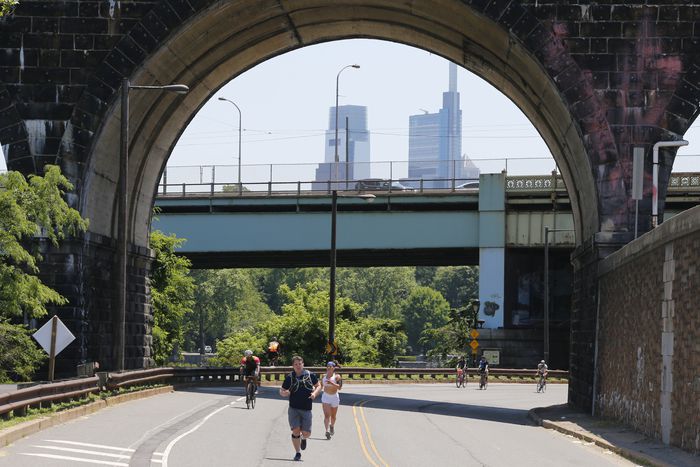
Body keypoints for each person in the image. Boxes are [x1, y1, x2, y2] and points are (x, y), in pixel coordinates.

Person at [279, 355, 321, 462]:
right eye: (295, 364)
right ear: (293, 366)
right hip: (294, 408)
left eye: (299, 364)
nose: (298, 366)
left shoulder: (310, 375)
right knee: (296, 430)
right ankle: (297, 453)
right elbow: (281, 390)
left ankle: (303, 438)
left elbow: (318, 386)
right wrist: (285, 393)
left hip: (307, 408)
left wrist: (314, 394)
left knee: (307, 433)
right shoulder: (290, 377)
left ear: (303, 364)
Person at [321, 361, 342, 439]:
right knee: (327, 415)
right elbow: (321, 385)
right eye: (328, 366)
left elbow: (339, 387)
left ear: (334, 368)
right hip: (326, 397)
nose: (329, 368)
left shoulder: (337, 377)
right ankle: (327, 431)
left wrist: (331, 383)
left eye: (331, 366)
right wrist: (314, 391)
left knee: (333, 416)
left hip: (334, 397)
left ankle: (332, 426)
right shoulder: (323, 376)